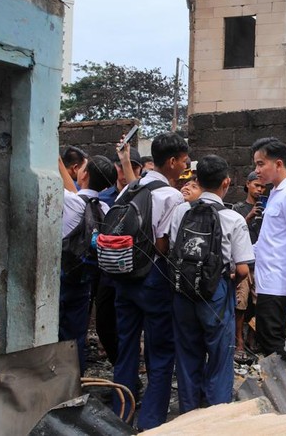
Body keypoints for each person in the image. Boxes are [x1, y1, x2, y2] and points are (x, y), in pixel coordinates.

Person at [98, 132, 189, 430]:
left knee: (126, 348)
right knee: (160, 352)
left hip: (123, 278)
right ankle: (151, 422)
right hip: (153, 281)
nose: (186, 166)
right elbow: (163, 244)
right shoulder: (172, 196)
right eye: (184, 161)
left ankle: (119, 416)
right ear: (172, 161)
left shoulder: (130, 189)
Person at [168, 155, 254, 413]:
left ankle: (188, 415)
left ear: (198, 180)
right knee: (219, 357)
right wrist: (231, 281)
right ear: (226, 182)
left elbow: (172, 249)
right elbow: (242, 268)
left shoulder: (181, 211)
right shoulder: (233, 218)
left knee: (186, 355)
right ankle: (216, 417)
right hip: (215, 292)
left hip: (182, 291)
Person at [251, 137, 286, 368]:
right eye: (255, 165)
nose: (257, 171)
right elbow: (268, 241)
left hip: (279, 283)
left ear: (278, 164)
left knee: (272, 341)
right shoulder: (275, 194)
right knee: (267, 338)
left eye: (261, 164)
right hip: (266, 281)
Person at [58, 154, 116, 373]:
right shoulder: (105, 209)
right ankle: (76, 383)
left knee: (53, 336)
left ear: (84, 174)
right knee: (76, 338)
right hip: (85, 281)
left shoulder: (70, 201)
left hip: (61, 279)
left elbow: (70, 192)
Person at [95, 141, 142, 364]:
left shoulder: (143, 197)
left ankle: (128, 373)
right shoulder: (104, 198)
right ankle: (119, 364)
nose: (126, 173)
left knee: (131, 325)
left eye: (133, 168)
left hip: (134, 271)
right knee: (104, 323)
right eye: (123, 167)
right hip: (106, 271)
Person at [231, 171, 266, 362]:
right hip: (244, 264)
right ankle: (239, 342)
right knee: (241, 304)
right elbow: (234, 233)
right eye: (256, 186)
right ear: (247, 184)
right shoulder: (238, 208)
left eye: (262, 187)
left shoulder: (266, 209)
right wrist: (249, 216)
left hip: (261, 263)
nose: (259, 190)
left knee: (259, 303)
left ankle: (253, 338)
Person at [99, 143, 141, 207]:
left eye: (134, 168)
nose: (127, 171)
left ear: (140, 169)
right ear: (114, 166)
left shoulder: (148, 196)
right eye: (122, 167)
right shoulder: (102, 198)